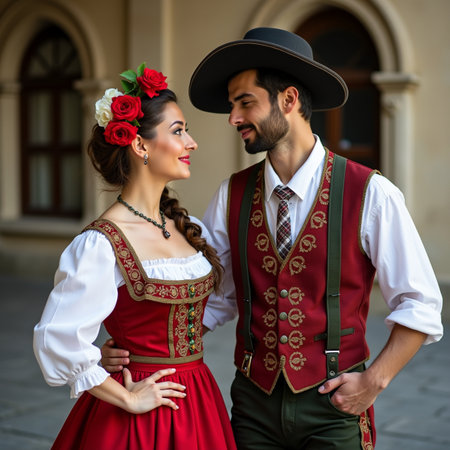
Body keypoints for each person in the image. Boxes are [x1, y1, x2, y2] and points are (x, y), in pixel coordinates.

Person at [102, 29, 444, 449]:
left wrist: (374, 381)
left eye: (245, 102)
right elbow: (212, 295)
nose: (233, 118)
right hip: (253, 405)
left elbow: (420, 303)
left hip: (334, 406)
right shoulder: (233, 193)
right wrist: (137, 350)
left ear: (289, 100)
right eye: (231, 106)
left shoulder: (371, 192)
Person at [33, 63, 236, 450]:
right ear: (140, 145)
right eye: (178, 132)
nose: (191, 143)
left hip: (198, 401)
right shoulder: (101, 244)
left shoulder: (187, 226)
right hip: (139, 410)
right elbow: (56, 339)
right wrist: (126, 396)